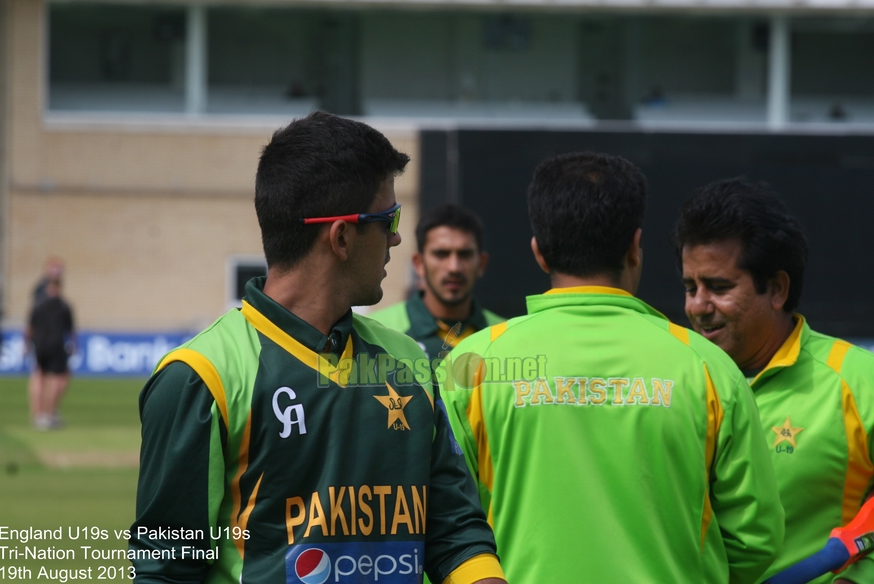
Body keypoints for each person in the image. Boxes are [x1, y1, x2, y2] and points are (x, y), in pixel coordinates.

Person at [130, 112, 505, 584]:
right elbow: (166, 572)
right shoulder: (201, 376)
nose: (394, 238)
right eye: (388, 219)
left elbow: (453, 529)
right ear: (342, 236)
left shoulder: (409, 361)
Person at [440, 152, 784, 583]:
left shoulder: (468, 366)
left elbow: (439, 526)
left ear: (540, 253)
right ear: (635, 248)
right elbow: (756, 539)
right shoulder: (710, 369)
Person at [674, 177, 874, 584]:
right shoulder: (671, 381)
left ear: (778, 288)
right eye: (690, 287)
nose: (697, 306)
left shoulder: (856, 380)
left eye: (718, 287)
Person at [369, 204, 503, 363]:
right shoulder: (376, 331)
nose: (454, 267)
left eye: (465, 254)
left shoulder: (505, 334)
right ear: (419, 264)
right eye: (441, 254)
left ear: (481, 264)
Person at [26, 277, 74, 430]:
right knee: (56, 379)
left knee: (39, 375)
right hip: (55, 346)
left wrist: (27, 345)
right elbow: (70, 330)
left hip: (39, 345)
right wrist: (73, 346)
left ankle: (37, 414)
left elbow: (30, 327)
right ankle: (48, 414)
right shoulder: (63, 305)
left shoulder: (38, 304)